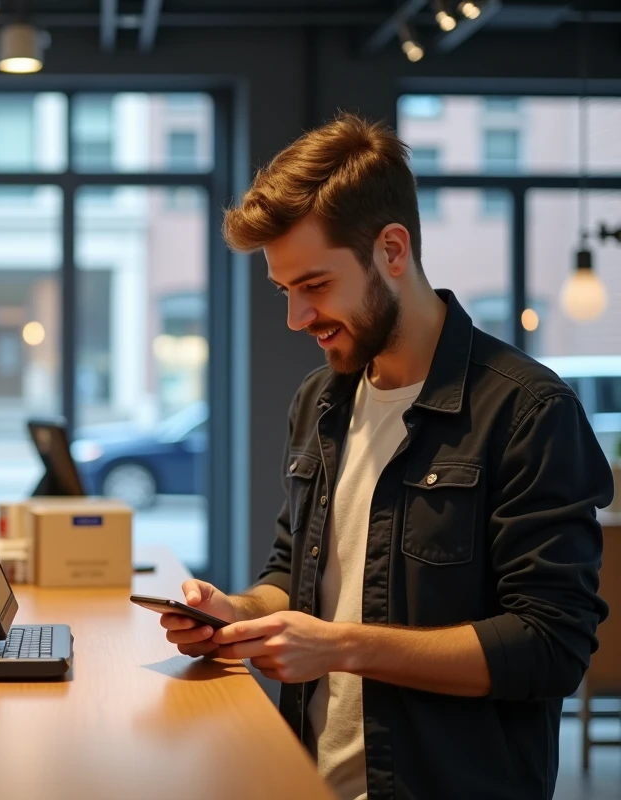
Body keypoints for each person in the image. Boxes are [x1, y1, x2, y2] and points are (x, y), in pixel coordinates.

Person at [162, 114, 613, 799]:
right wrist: (239, 611)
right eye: (285, 291)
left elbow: (551, 648)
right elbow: (296, 570)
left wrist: (342, 644)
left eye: (314, 286)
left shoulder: (528, 410)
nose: (297, 318)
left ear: (392, 250)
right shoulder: (320, 399)